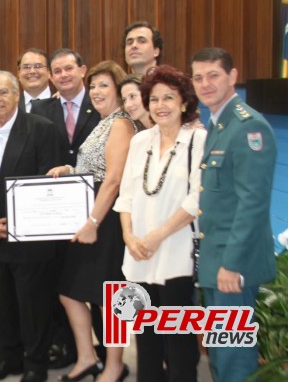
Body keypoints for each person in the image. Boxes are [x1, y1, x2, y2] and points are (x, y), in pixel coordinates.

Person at [0, 70, 60, 382]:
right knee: (0, 304)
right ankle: (9, 359)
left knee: (33, 305)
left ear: (17, 94)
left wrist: (17, 222)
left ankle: (35, 364)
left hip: (30, 239)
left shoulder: (41, 129)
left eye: (3, 92)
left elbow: (50, 184)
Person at [191, 47, 277, 382]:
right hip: (216, 260)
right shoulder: (218, 123)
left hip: (231, 266)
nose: (205, 83)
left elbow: (252, 204)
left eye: (213, 75)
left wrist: (233, 264)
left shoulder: (247, 129)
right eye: (198, 77)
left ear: (233, 77)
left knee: (233, 356)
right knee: (221, 350)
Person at [114, 65, 204, 382]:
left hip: (175, 255)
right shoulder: (140, 142)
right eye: (154, 99)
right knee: (146, 339)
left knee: (179, 344)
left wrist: (158, 236)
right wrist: (129, 236)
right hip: (137, 255)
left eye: (169, 97)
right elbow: (125, 196)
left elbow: (196, 201)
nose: (160, 105)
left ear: (183, 102)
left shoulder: (198, 140)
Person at [48, 60, 136, 382]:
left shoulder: (121, 124)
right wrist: (69, 170)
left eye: (105, 86)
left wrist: (93, 222)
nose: (97, 92)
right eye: (94, 85)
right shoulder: (103, 122)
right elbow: (95, 169)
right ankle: (87, 357)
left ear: (118, 91)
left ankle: (114, 365)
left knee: (109, 298)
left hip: (106, 220)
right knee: (70, 292)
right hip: (91, 216)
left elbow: (113, 180)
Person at [31, 48, 102, 368]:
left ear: (82, 70)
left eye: (68, 69)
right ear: (50, 76)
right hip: (57, 214)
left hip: (101, 210)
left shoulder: (101, 103)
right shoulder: (40, 109)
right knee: (63, 283)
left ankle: (107, 351)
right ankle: (71, 347)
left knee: (101, 284)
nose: (63, 75)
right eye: (56, 71)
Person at [17, 48, 54, 113]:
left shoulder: (61, 102)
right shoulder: (11, 107)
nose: (32, 71)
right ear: (19, 74)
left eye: (38, 66)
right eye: (26, 67)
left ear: (49, 72)